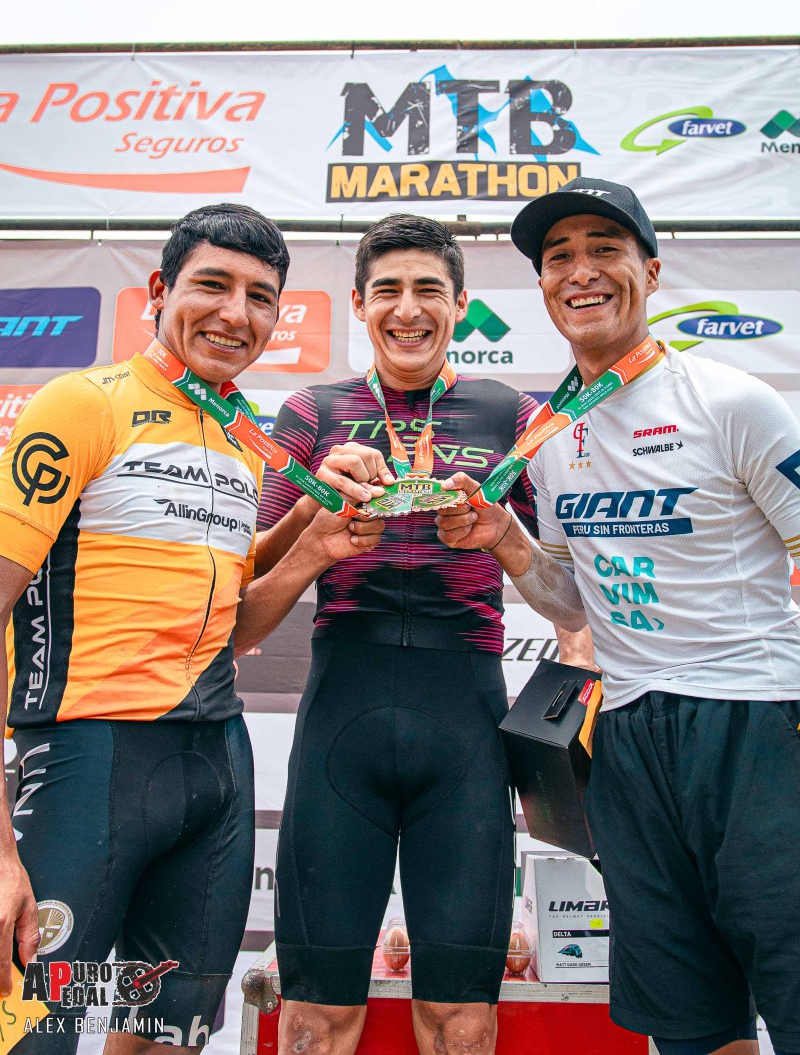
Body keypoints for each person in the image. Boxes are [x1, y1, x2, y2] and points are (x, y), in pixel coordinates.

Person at [0, 203, 382, 1055]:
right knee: (32, 1035)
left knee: (167, 1035)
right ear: (159, 290)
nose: (235, 314)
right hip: (86, 763)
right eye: (212, 285)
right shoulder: (82, 404)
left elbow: (230, 627)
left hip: (215, 764)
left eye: (260, 297)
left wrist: (313, 541)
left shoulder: (243, 437)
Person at [436, 178, 800, 1055]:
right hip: (630, 737)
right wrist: (505, 538)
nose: (581, 271)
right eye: (559, 256)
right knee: (688, 1014)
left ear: (652, 270)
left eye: (606, 249)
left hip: (754, 721)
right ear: (543, 286)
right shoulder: (549, 436)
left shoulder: (733, 400)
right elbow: (574, 603)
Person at [256, 213, 585, 1055]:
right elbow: (248, 582)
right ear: (359, 304)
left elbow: (571, 593)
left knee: (462, 1021)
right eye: (389, 291)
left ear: (461, 304)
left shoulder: (513, 414)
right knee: (313, 1019)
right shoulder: (312, 411)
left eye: (429, 290)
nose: (408, 310)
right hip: (342, 714)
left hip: (464, 717)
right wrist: (313, 507)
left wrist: (502, 537)